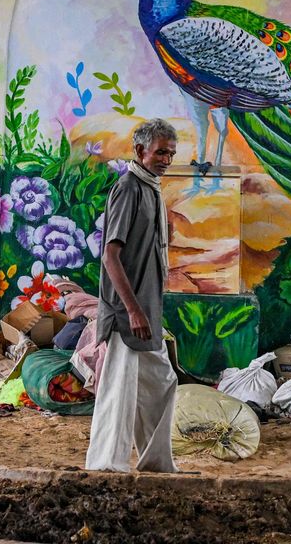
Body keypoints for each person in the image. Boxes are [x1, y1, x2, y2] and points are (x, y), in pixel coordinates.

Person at [84, 118, 179, 473]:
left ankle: (156, 461)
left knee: (162, 383)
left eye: (170, 153)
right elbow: (110, 255)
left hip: (146, 312)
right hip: (129, 314)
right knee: (118, 392)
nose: (166, 159)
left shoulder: (150, 187)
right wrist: (134, 311)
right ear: (140, 151)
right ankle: (106, 464)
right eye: (160, 152)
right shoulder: (129, 188)